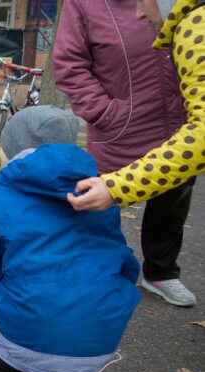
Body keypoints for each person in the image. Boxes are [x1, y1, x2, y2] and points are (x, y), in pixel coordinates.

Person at [0, 107, 140, 372]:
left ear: (9, 149)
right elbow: (122, 257)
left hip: (29, 332)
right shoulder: (99, 194)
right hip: (100, 333)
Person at [53, 0, 192, 308]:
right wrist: (104, 111)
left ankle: (160, 271)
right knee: (98, 202)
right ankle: (91, 274)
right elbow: (68, 63)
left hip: (178, 125)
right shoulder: (84, 4)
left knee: (173, 200)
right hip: (120, 125)